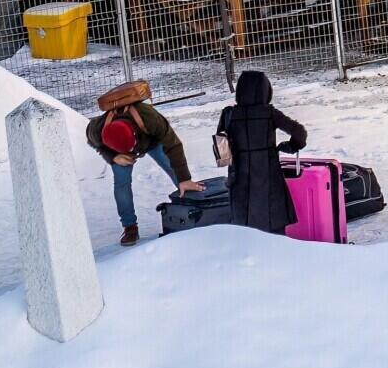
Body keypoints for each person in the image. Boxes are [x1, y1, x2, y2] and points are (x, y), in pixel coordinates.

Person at [87, 96, 202, 246]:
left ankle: (194, 206)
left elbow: (173, 145)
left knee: (172, 168)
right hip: (119, 154)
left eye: (131, 148)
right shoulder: (98, 128)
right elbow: (92, 142)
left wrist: (184, 178)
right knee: (122, 184)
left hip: (151, 141)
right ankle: (130, 227)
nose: (132, 152)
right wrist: (113, 156)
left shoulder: (148, 117)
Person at [215, 70, 308, 233]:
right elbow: (299, 132)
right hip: (269, 177)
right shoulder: (269, 113)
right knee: (275, 227)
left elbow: (221, 147)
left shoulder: (228, 114)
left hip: (239, 179)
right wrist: (291, 146)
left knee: (243, 229)